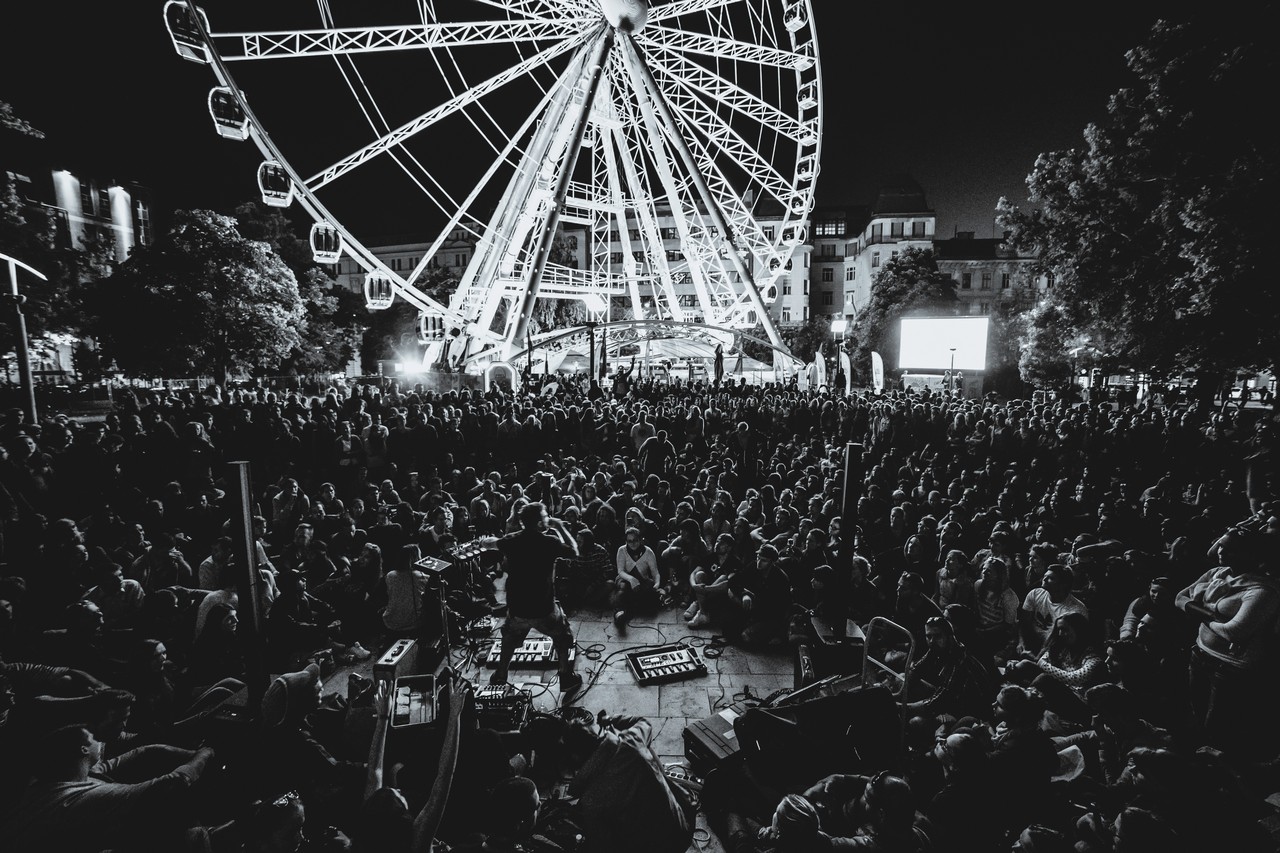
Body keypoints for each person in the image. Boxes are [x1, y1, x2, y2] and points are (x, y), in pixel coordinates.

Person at [0, 723, 218, 851]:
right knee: (179, 828)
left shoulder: (58, 778)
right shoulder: (77, 798)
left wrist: (190, 754)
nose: (99, 740)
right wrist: (204, 754)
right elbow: (173, 783)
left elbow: (142, 752)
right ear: (84, 749)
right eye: (93, 738)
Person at [561, 714, 695, 853]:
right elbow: (643, 722)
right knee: (645, 750)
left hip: (656, 848)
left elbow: (602, 846)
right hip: (681, 829)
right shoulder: (632, 742)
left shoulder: (591, 802)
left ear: (575, 758)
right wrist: (610, 719)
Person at [492, 502, 581, 694]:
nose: (548, 518)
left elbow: (492, 543)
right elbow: (574, 552)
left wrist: (480, 543)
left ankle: (500, 675)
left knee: (509, 637)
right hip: (543, 608)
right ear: (540, 522)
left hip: (518, 607)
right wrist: (560, 527)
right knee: (563, 635)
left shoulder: (511, 540)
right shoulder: (550, 542)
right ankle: (565, 676)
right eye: (545, 516)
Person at [612, 526, 662, 629]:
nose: (632, 543)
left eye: (635, 540)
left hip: (642, 580)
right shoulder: (622, 550)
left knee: (651, 595)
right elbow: (620, 571)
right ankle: (619, 612)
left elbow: (655, 572)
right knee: (623, 588)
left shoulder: (648, 552)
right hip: (624, 579)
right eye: (629, 541)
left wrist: (657, 585)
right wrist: (631, 579)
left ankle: (631, 605)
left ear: (640, 539)